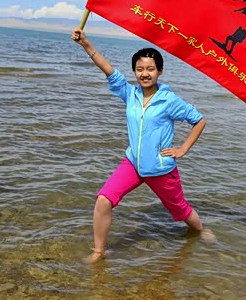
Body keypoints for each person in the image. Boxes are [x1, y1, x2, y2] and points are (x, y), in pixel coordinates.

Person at [71, 28, 209, 263]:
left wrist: (183, 149)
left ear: (160, 71)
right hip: (133, 164)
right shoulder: (130, 94)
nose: (145, 74)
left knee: (181, 210)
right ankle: (99, 251)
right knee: (103, 199)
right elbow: (108, 70)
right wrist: (85, 43)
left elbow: (199, 120)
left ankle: (201, 230)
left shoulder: (169, 100)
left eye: (150, 69)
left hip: (160, 169)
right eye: (140, 69)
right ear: (135, 71)